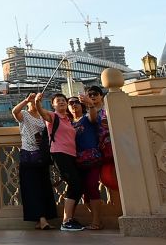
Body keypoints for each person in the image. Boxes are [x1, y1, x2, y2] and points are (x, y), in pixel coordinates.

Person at [32, 92, 85, 232]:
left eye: (63, 100)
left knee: (78, 185)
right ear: (53, 104)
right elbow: (42, 113)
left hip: (72, 155)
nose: (61, 102)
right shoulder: (53, 116)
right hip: (59, 153)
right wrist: (37, 102)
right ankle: (66, 221)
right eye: (58, 101)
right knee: (75, 183)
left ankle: (69, 219)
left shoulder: (68, 119)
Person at [12, 93, 54, 230]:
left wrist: (38, 103)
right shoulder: (24, 114)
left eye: (37, 101)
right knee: (32, 188)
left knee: (44, 187)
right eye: (33, 101)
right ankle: (41, 219)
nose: (34, 102)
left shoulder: (43, 117)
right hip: (29, 155)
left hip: (42, 155)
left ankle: (42, 219)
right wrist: (26, 100)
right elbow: (14, 111)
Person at [71, 92, 106, 230]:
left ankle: (97, 221)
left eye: (76, 103)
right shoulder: (69, 123)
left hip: (92, 158)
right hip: (77, 160)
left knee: (92, 186)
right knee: (84, 191)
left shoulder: (87, 117)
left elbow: (93, 116)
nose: (73, 105)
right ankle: (95, 219)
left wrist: (90, 104)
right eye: (71, 103)